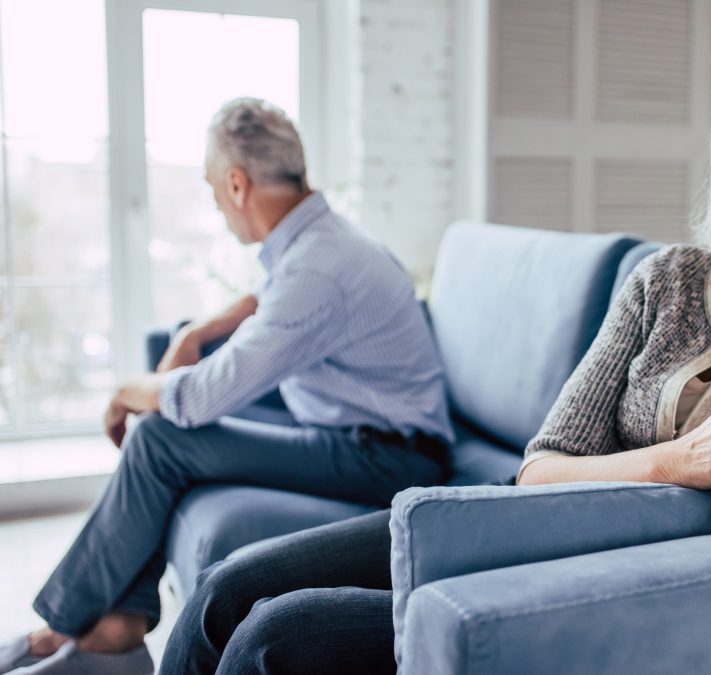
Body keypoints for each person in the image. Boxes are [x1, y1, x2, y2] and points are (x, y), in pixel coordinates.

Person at [153, 64, 711, 674]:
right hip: (508, 518)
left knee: (273, 638)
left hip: (593, 582)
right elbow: (539, 469)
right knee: (228, 585)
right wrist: (682, 461)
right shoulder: (667, 279)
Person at [0, 98, 453, 675]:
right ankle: (116, 625)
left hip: (388, 457)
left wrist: (124, 391)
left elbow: (198, 397)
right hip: (354, 432)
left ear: (237, 184)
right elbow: (270, 297)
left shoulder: (319, 264)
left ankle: (66, 627)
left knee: (162, 437)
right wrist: (200, 330)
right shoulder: (321, 242)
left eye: (214, 192)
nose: (217, 207)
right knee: (163, 437)